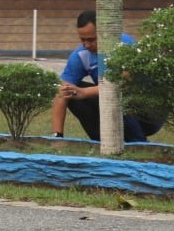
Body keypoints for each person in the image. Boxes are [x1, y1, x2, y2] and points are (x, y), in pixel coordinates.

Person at [50, 9, 163, 142]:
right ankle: (102, 142)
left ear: (104, 33)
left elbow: (123, 82)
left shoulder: (124, 44)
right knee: (70, 91)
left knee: (114, 95)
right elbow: (61, 95)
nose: (86, 45)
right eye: (82, 40)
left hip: (148, 111)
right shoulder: (80, 55)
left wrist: (84, 92)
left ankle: (138, 143)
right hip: (115, 106)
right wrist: (57, 136)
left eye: (91, 40)